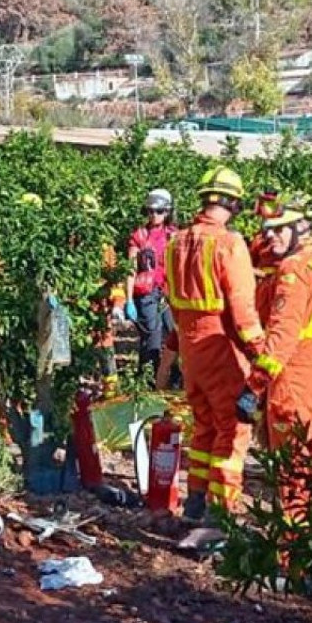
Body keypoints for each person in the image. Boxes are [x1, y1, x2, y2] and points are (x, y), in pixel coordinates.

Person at [236, 194, 312, 524]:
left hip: (295, 386)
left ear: (303, 227)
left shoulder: (294, 270)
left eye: (279, 229)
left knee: (294, 476)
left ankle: (292, 560)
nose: (270, 236)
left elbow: (281, 340)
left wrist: (253, 388)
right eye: (267, 230)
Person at [164, 166, 264, 521]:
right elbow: (241, 309)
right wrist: (261, 355)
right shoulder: (229, 243)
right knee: (233, 428)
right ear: (233, 203)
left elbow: (174, 303)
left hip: (190, 349)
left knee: (204, 425)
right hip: (221, 344)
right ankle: (220, 517)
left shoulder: (176, 242)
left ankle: (194, 505)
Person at [118, 189, 178, 387]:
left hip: (169, 293)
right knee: (151, 339)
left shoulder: (174, 236)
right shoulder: (140, 236)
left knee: (173, 337)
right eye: (150, 211)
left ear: (167, 212)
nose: (154, 215)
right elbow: (131, 269)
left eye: (159, 211)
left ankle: (174, 381)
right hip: (147, 294)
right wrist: (128, 300)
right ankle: (147, 384)